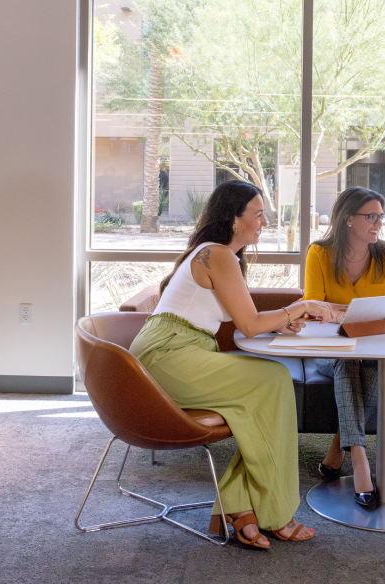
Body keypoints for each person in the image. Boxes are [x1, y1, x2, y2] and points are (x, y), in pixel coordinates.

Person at [128, 180, 340, 550]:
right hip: (167, 355)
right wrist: (301, 307)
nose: (264, 222)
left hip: (177, 350)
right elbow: (250, 325)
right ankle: (268, 512)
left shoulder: (220, 256)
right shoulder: (218, 254)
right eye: (257, 214)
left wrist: (283, 321)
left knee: (266, 394)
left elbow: (249, 319)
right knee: (274, 379)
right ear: (233, 218)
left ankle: (239, 507)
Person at [302, 187, 385, 508]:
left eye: (380, 216)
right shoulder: (319, 254)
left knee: (371, 367)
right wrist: (339, 314)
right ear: (347, 219)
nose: (378, 223)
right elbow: (311, 303)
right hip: (337, 350)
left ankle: (340, 446)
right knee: (347, 362)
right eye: (371, 216)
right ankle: (360, 461)